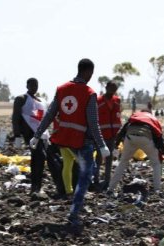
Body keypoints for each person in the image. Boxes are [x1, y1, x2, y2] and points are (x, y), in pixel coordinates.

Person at [30, 58, 110, 226]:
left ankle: (70, 196)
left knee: (72, 166)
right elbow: (93, 123)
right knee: (85, 176)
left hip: (63, 139)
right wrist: (102, 145)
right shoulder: (89, 93)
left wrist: (37, 135)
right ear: (88, 72)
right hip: (81, 141)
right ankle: (74, 213)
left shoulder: (61, 89)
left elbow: (50, 115)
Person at [12, 78, 65, 196]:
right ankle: (35, 187)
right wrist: (17, 135)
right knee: (39, 157)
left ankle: (60, 187)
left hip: (43, 134)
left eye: (36, 85)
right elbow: (15, 117)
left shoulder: (41, 101)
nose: (34, 87)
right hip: (30, 134)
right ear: (27, 85)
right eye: (32, 85)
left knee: (52, 159)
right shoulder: (21, 99)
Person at [107, 110, 164, 194]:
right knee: (156, 164)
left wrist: (116, 145)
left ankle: (111, 189)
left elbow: (122, 131)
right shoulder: (152, 119)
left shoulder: (135, 117)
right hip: (145, 138)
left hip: (130, 137)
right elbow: (159, 139)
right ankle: (157, 190)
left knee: (123, 162)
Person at [94, 80, 122, 191]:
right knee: (99, 158)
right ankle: (95, 179)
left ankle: (107, 180)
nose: (113, 90)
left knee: (109, 158)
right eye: (111, 87)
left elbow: (118, 116)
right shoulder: (98, 100)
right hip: (101, 134)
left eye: (115, 88)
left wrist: (119, 133)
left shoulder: (117, 100)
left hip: (113, 134)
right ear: (106, 87)